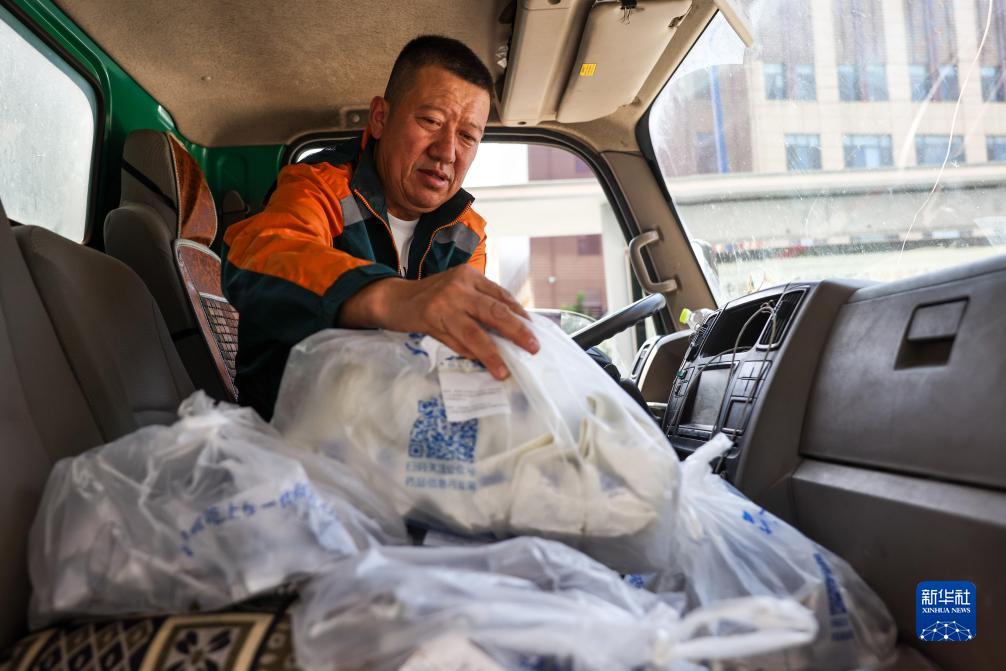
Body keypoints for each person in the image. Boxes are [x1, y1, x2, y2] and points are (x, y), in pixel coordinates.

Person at [223, 35, 539, 419]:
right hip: (292, 428)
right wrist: (390, 298)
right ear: (380, 118)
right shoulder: (319, 186)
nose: (446, 151)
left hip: (400, 427)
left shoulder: (467, 233)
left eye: (467, 136)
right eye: (431, 121)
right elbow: (262, 253)